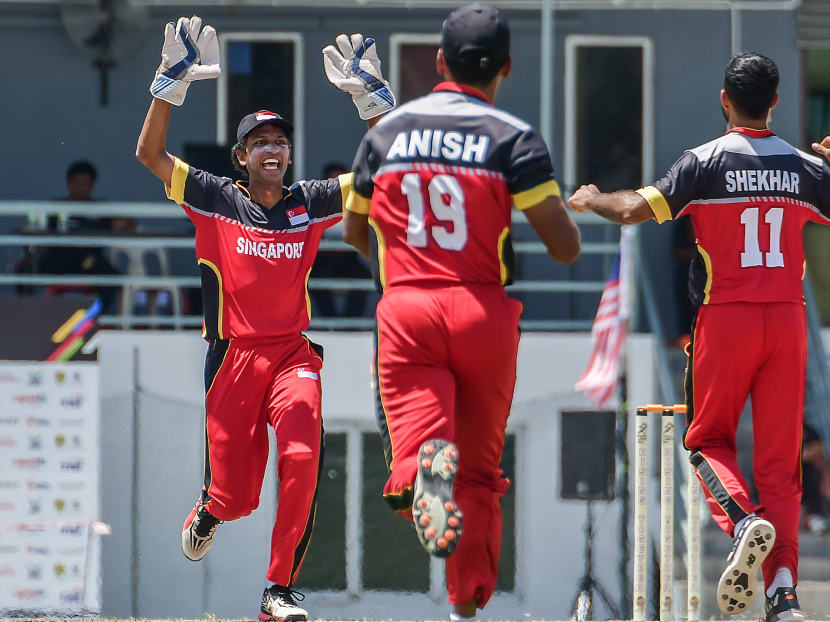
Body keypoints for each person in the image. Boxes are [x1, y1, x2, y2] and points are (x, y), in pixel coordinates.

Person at [135, 16, 395, 621]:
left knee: (303, 454)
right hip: (231, 360)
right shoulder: (214, 196)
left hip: (290, 355)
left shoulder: (310, 201)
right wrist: (168, 86)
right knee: (238, 497)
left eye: (281, 141)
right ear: (242, 156)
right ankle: (211, 506)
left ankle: (277, 590)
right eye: (261, 142)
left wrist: (374, 103)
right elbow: (149, 154)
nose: (274, 149)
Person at [569, 52, 830, 622]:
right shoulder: (806, 168)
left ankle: (741, 521)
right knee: (782, 467)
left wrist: (592, 198)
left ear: (724, 99)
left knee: (705, 441)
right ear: (776, 103)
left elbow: (635, 207)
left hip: (726, 316)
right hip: (787, 320)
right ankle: (783, 594)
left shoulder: (705, 162)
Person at [340, 4, 581, 618]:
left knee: (417, 441)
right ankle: (467, 603)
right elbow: (564, 246)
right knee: (479, 474)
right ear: (507, 67)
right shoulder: (513, 138)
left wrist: (397, 267)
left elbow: (352, 231)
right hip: (483, 312)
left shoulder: (385, 134)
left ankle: (421, 475)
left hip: (410, 308)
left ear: (439, 62)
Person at [15, 160, 123, 311]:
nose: (81, 188)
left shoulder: (101, 209)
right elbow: (36, 229)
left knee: (115, 277)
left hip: (91, 263)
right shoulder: (55, 207)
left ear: (93, 184)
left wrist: (122, 223)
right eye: (76, 183)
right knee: (23, 268)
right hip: (58, 261)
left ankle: (98, 319)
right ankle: (27, 315)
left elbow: (124, 223)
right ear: (68, 183)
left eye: (85, 183)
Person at [308, 161, 371, 320]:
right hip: (324, 262)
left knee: (363, 274)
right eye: (333, 181)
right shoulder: (316, 206)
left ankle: (350, 320)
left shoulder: (357, 205)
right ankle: (329, 320)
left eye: (341, 180)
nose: (338, 186)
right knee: (313, 276)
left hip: (347, 261)